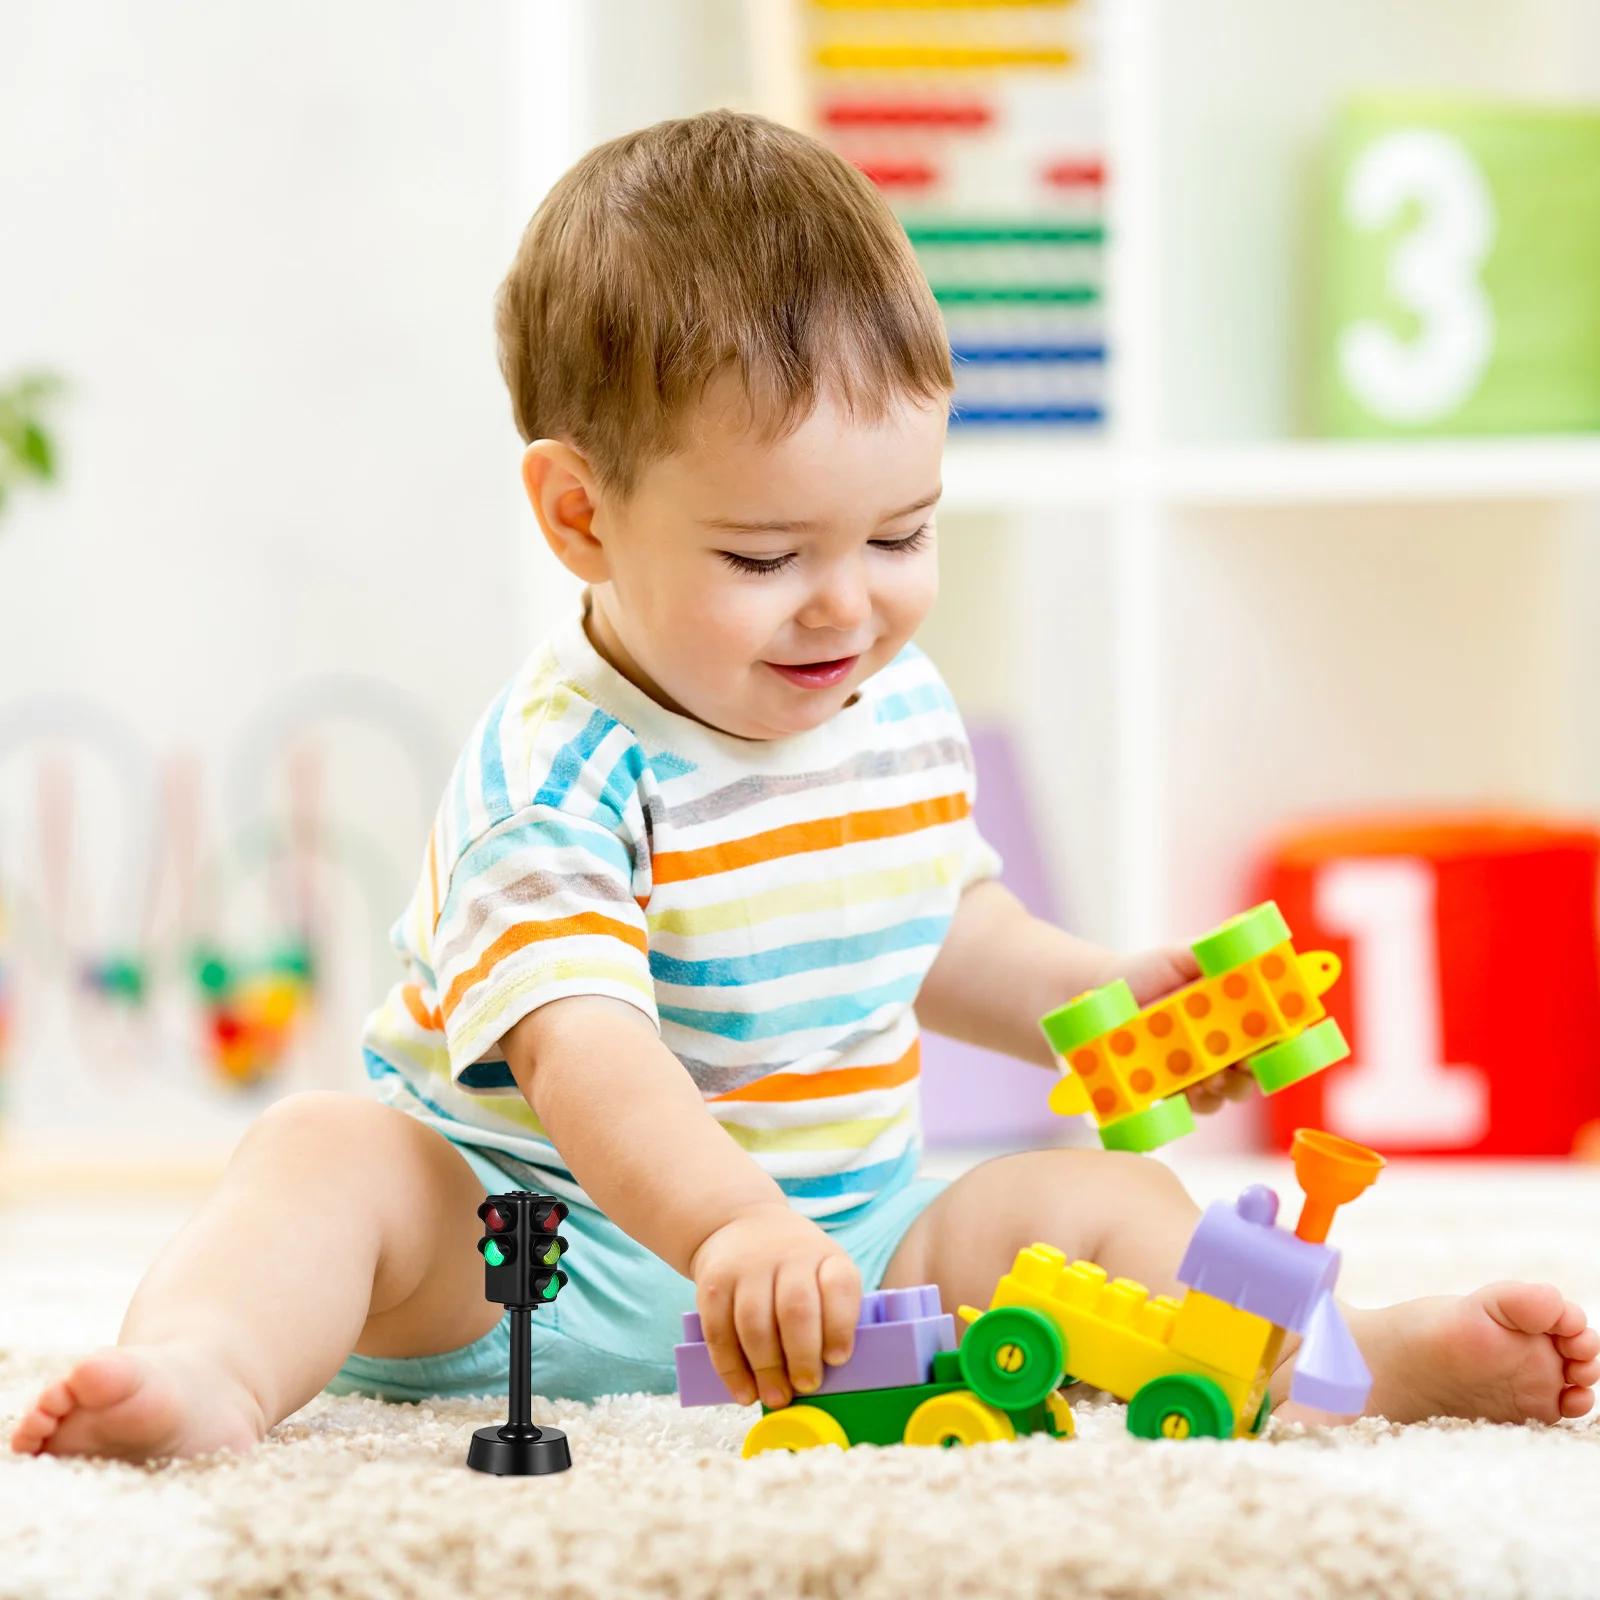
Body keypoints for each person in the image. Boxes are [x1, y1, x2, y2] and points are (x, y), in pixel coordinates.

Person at [13, 111, 1596, 1462]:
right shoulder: (556, 770)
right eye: (768, 557)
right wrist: (723, 1230)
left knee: (1073, 1195)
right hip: (531, 1253)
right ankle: (212, 1368)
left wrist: (1108, 998)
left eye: (902, 536)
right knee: (321, 1158)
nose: (848, 606)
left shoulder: (891, 707)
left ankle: (1343, 1363)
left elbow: (940, 927)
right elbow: (590, 1059)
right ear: (578, 514)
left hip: (847, 1247)